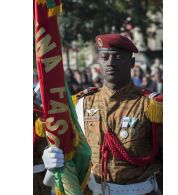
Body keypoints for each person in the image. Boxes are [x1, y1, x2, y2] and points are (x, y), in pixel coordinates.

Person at [42, 34, 163, 195]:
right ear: (99, 62)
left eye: (118, 57)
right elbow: (70, 148)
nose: (110, 63)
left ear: (132, 63)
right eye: (104, 57)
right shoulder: (82, 103)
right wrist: (51, 157)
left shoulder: (151, 106)